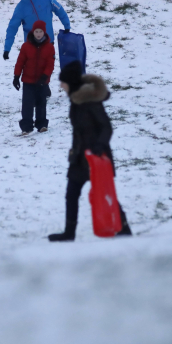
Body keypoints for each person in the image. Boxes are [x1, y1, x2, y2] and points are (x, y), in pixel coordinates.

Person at [48, 61, 131, 242]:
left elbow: (106, 128)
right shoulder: (75, 102)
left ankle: (124, 227)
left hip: (97, 157)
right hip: (79, 158)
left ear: (71, 83)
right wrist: (74, 153)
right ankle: (69, 233)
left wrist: (99, 146)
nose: (60, 85)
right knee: (71, 194)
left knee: (105, 193)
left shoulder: (90, 103)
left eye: (63, 82)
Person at [3, 0, 70, 62]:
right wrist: (7, 49)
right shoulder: (20, 8)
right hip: (31, 45)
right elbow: (12, 28)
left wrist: (67, 25)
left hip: (48, 42)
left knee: (47, 70)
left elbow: (59, 10)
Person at [13, 20, 55, 134]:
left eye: (40, 31)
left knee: (41, 103)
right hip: (28, 80)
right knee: (27, 104)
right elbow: (20, 62)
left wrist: (45, 76)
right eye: (36, 31)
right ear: (33, 32)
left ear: (44, 32)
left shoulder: (49, 47)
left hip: (42, 81)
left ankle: (41, 124)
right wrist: (16, 76)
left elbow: (50, 64)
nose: (38, 34)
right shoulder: (26, 46)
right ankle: (26, 127)